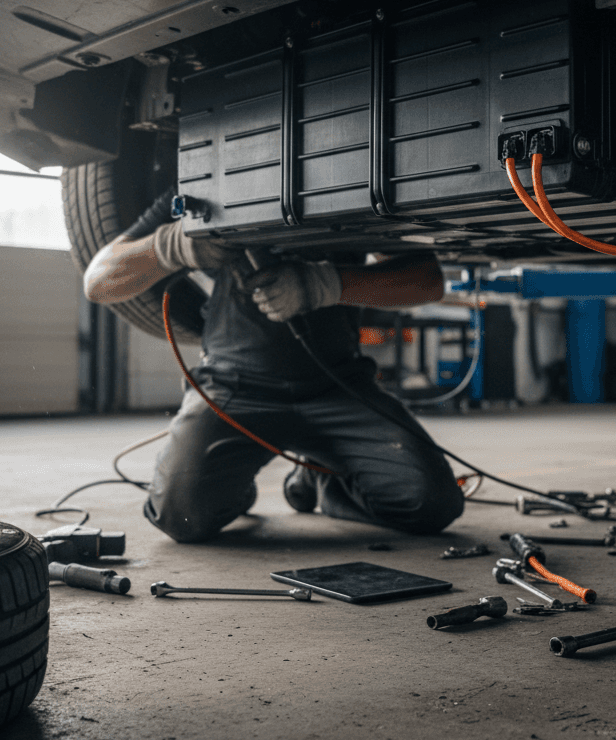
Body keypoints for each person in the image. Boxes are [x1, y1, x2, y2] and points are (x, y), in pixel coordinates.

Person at [83, 189, 464, 541]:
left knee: (431, 503)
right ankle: (230, 480)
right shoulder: (205, 185)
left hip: (339, 387)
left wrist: (324, 285)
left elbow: (427, 282)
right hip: (234, 388)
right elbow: (98, 280)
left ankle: (323, 481)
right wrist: (175, 246)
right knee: (181, 516)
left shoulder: (357, 180)